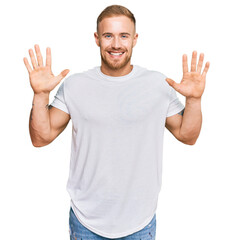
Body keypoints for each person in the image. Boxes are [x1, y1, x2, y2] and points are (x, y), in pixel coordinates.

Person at [23, 4, 210, 240]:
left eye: (124, 35)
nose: (116, 44)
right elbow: (41, 138)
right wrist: (40, 95)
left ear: (135, 39)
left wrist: (194, 99)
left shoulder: (157, 84)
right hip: (86, 223)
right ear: (97, 39)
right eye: (108, 35)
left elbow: (188, 136)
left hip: (140, 224)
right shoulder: (76, 85)